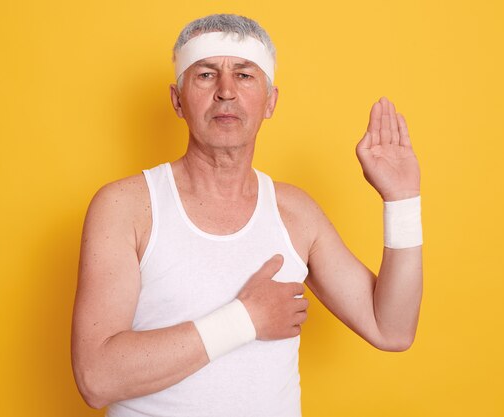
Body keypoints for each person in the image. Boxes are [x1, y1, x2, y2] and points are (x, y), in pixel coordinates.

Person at [71, 13, 423, 417]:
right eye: (205, 74)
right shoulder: (126, 207)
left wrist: (402, 200)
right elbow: (96, 378)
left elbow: (391, 328)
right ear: (177, 99)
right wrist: (245, 319)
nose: (225, 92)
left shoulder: (296, 213)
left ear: (270, 101)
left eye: (244, 75)